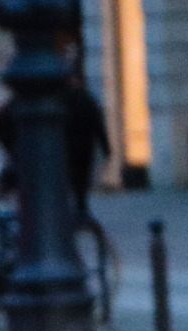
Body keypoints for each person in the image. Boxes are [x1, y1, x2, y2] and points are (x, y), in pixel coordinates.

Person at [63, 62, 110, 216]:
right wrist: (105, 147)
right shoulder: (86, 99)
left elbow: (97, 124)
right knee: (81, 177)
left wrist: (105, 146)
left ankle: (78, 205)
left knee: (75, 176)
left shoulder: (65, 100)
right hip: (83, 145)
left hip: (71, 145)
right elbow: (98, 124)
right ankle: (81, 205)